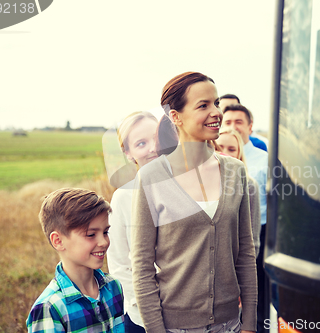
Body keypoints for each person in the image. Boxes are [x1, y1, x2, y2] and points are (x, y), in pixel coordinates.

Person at [131, 72, 257, 333]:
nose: (216, 112)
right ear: (175, 116)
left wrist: (249, 324)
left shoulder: (236, 172)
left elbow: (245, 254)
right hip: (176, 328)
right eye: (203, 105)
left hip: (231, 324)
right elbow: (142, 267)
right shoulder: (151, 177)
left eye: (216, 103)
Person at [26, 188, 125, 332]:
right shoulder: (49, 308)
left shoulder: (114, 287)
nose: (103, 242)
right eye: (91, 234)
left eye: (105, 232)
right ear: (58, 241)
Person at [107, 111, 158, 333]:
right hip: (143, 318)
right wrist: (148, 308)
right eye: (141, 143)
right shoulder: (124, 197)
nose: (153, 148)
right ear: (128, 153)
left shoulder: (189, 188)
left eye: (157, 138)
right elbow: (119, 264)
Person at [222, 104, 268, 333]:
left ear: (250, 126)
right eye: (227, 122)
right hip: (224, 241)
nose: (233, 126)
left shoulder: (265, 161)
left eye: (238, 122)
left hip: (257, 232)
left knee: (254, 295)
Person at [216, 128, 261, 258]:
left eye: (231, 149)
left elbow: (252, 240)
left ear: (239, 154)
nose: (224, 153)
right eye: (219, 147)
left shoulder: (249, 185)